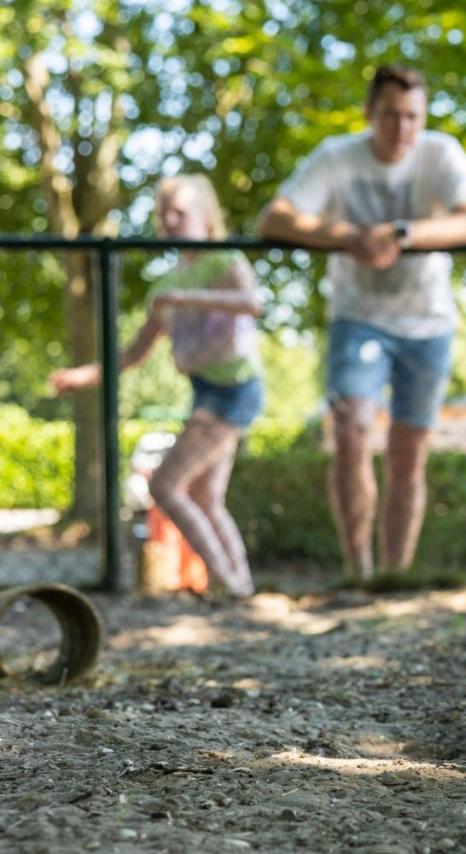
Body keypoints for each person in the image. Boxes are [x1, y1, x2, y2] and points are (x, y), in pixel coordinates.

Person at [256, 65, 466, 583]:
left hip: (428, 322)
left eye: (412, 117)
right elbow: (273, 219)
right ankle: (358, 571)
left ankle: (395, 575)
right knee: (351, 429)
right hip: (357, 317)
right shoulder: (336, 157)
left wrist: (402, 233)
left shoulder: (442, 153)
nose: (402, 129)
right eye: (390, 115)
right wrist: (351, 236)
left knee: (409, 453)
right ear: (369, 113)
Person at [50, 175, 263, 598]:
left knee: (165, 485)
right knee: (204, 495)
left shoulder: (225, 261)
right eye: (163, 213)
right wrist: (84, 375)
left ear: (206, 216)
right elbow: (132, 354)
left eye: (179, 212)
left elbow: (253, 303)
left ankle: (228, 582)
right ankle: (242, 584)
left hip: (235, 388)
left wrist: (192, 299)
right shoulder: (165, 285)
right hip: (204, 387)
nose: (169, 220)